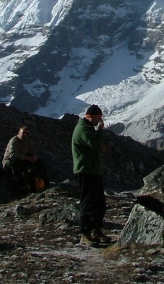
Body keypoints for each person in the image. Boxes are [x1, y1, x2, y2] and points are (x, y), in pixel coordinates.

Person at [71, 104, 112, 246]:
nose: (99, 121)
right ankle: (85, 233)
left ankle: (96, 230)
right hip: (86, 171)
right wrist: (100, 131)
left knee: (98, 203)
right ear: (90, 117)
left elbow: (92, 146)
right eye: (98, 118)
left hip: (93, 170)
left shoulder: (87, 129)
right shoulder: (83, 129)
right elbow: (94, 144)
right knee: (87, 203)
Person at [2, 126, 49, 191]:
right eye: (23, 133)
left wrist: (34, 158)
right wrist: (27, 158)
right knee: (15, 163)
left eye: (27, 134)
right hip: (9, 161)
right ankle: (20, 186)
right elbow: (12, 155)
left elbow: (32, 152)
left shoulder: (28, 142)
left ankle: (45, 182)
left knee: (40, 162)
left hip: (23, 160)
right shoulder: (14, 141)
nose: (25, 135)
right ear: (19, 132)